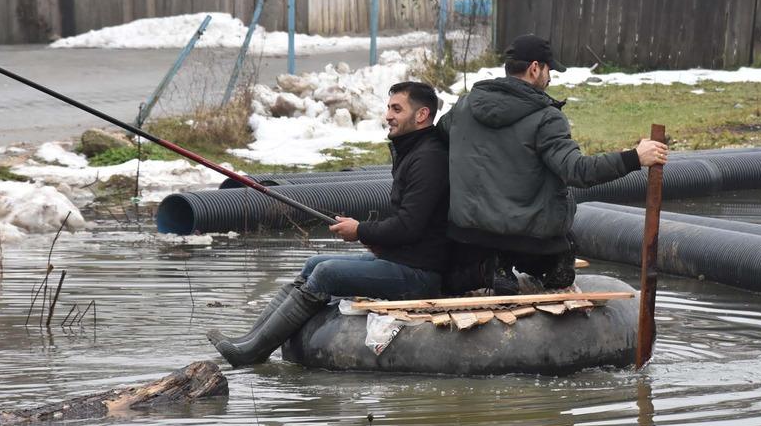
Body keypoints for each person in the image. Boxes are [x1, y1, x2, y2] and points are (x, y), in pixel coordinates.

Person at [208, 81, 449, 368]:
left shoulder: (428, 158)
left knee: (326, 273)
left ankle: (252, 353)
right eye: (388, 108)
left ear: (421, 115)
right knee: (313, 264)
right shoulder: (412, 151)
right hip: (403, 258)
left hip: (420, 274)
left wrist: (360, 230)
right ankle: (248, 341)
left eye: (397, 109)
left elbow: (410, 225)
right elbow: (409, 223)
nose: (388, 116)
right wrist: (376, 237)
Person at [437, 33, 668, 293]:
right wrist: (634, 157)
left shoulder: (464, 106)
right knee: (564, 257)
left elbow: (439, 138)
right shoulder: (546, 118)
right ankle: (507, 266)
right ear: (535, 68)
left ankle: (487, 269)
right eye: (549, 71)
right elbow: (577, 171)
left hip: (465, 233)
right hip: (524, 237)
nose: (550, 78)